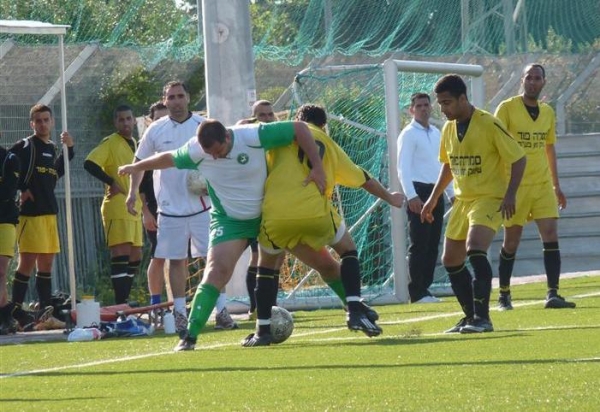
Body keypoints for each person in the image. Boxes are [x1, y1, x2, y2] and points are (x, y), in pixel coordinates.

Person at [118, 118, 326, 351]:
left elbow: (299, 128)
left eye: (218, 151)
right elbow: (168, 158)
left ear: (227, 136)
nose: (214, 158)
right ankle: (190, 336)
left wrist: (317, 166)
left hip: (268, 213)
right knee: (216, 271)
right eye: (210, 154)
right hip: (230, 220)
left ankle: (353, 308)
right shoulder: (197, 151)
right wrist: (137, 167)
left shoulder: (252, 135)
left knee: (319, 260)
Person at [243, 104, 405, 346]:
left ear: (296, 119)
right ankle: (354, 307)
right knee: (347, 251)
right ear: (323, 125)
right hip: (315, 213)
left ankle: (263, 330)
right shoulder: (327, 142)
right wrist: (390, 197)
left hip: (277, 217)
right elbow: (363, 178)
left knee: (267, 268)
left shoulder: (278, 137)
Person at [421, 74, 526, 334]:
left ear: (462, 99)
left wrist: (510, 194)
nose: (442, 109)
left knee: (475, 248)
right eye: (440, 104)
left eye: (447, 103)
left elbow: (518, 158)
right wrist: (433, 198)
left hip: (489, 197)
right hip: (463, 200)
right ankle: (470, 316)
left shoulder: (489, 123)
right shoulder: (448, 129)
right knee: (450, 260)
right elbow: (449, 165)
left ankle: (483, 318)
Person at [126, 81, 214, 335]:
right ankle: (180, 314)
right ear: (165, 100)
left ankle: (221, 310)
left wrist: (213, 184)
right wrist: (132, 193)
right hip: (170, 208)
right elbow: (139, 162)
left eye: (180, 96)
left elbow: (220, 157)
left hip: (202, 206)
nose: (176, 101)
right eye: (171, 97)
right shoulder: (155, 129)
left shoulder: (203, 126)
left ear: (188, 98)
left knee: (212, 257)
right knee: (176, 260)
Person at [494, 64, 575, 310]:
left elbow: (549, 148)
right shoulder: (507, 108)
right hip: (515, 185)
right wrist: (502, 188)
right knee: (511, 241)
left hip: (542, 184)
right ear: (522, 80)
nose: (532, 82)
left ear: (543, 82)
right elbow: (495, 144)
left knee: (550, 234)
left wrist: (556, 185)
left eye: (537, 78)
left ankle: (553, 293)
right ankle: (504, 294)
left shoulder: (547, 112)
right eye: (528, 77)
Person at [8, 104, 75, 327]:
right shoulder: (26, 145)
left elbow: (56, 173)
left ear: (52, 122)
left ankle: (45, 311)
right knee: (27, 261)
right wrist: (22, 187)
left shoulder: (53, 147)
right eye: (38, 121)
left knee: (46, 262)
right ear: (32, 124)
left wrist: (69, 149)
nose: (43, 124)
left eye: (46, 120)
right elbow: (7, 163)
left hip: (49, 212)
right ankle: (15, 311)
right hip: (31, 214)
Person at [397, 92, 454, 304]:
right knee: (419, 242)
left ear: (431, 107)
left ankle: (425, 288)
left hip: (436, 191)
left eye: (426, 105)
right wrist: (411, 196)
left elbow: (443, 167)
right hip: (419, 192)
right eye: (419, 106)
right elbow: (402, 168)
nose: (423, 109)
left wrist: (451, 193)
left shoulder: (437, 133)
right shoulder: (408, 134)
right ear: (411, 110)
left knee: (432, 243)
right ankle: (416, 292)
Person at [84, 104, 143, 304]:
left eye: (128, 118)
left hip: (134, 207)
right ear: (115, 122)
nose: (125, 123)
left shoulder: (134, 143)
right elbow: (89, 163)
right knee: (121, 254)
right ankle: (121, 304)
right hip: (117, 206)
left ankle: (124, 300)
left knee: (136, 255)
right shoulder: (110, 142)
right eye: (121, 119)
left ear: (134, 120)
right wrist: (111, 182)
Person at [236, 99, 279, 320]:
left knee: (277, 256)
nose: (267, 119)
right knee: (258, 256)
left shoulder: (278, 138)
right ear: (254, 117)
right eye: (261, 115)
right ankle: (256, 308)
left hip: (276, 203)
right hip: (254, 205)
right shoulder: (247, 138)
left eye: (270, 114)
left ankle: (272, 306)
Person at [138, 101, 169, 306]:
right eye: (158, 118)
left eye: (165, 118)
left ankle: (177, 302)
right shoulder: (146, 147)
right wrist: (146, 212)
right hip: (155, 209)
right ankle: (155, 303)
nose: (162, 122)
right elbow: (139, 184)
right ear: (150, 121)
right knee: (158, 255)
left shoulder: (180, 141)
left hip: (179, 207)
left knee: (181, 257)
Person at [0, 142, 20, 334]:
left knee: (0, 271)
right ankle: (6, 315)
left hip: (5, 220)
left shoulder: (9, 158)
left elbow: (7, 192)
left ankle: (6, 317)